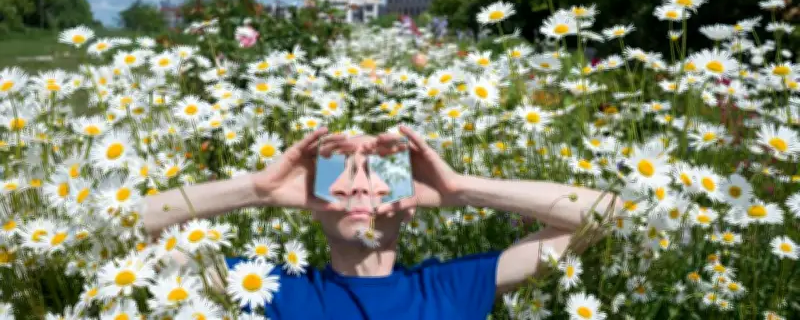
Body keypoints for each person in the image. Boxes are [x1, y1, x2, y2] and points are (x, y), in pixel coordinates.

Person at [143, 126, 621, 319]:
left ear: (408, 205)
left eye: (378, 183)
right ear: (314, 203)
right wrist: (261, 191)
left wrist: (460, 190)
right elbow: (131, 230)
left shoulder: (448, 288)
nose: (359, 191)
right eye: (342, 181)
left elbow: (609, 215)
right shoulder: (270, 286)